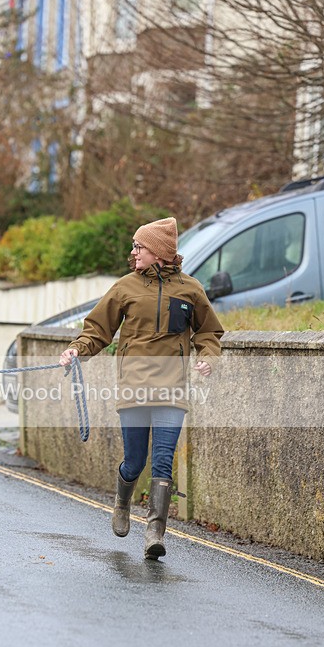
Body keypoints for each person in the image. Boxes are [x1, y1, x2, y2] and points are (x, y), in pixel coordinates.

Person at [60, 217, 223, 559]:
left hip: (172, 390)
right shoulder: (125, 288)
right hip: (133, 388)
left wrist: (210, 357)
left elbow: (209, 332)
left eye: (139, 247)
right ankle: (122, 501)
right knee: (135, 462)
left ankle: (155, 532)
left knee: (163, 462)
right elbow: (97, 330)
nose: (133, 252)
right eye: (135, 246)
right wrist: (78, 349)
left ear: (159, 253)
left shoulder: (190, 289)